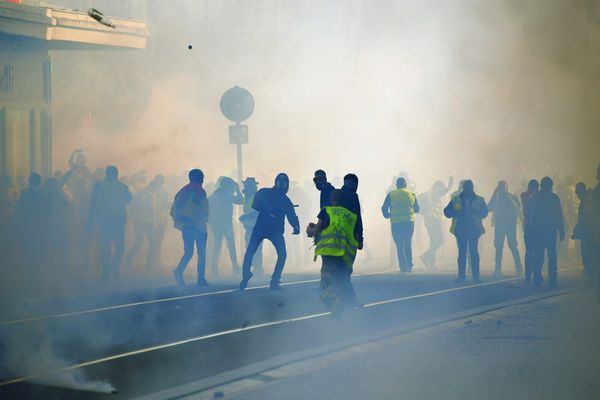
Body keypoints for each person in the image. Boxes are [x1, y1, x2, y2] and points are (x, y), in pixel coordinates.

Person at [239, 173, 300, 291]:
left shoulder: (264, 192)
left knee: (250, 251)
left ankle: (246, 274)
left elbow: (256, 205)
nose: (282, 185)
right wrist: (296, 226)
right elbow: (291, 215)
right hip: (273, 230)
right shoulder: (283, 199)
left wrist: (296, 226)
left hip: (263, 228)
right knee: (281, 254)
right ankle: (274, 281)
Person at [307, 189, 359, 317]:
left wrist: (310, 229)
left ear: (332, 199)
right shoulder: (351, 215)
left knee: (326, 283)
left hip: (329, 252)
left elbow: (316, 230)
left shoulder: (326, 211)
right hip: (344, 254)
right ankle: (349, 302)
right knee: (341, 279)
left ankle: (335, 302)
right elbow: (355, 236)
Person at [87, 166, 132, 282]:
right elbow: (129, 200)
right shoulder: (122, 186)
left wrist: (90, 222)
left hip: (104, 220)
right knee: (119, 247)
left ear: (106, 174)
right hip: (118, 220)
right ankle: (115, 268)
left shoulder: (99, 186)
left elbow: (93, 203)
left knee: (105, 246)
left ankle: (105, 272)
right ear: (116, 174)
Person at [171, 169, 210, 287]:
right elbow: (203, 210)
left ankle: (179, 271)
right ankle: (201, 279)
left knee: (188, 252)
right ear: (198, 178)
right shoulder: (198, 191)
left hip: (187, 227)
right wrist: (199, 222)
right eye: (202, 177)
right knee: (201, 254)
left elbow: (174, 210)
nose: (203, 179)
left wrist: (182, 221)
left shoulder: (184, 190)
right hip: (198, 227)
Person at [443, 179, 488, 283]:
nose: (468, 190)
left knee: (472, 253)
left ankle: (474, 276)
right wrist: (456, 212)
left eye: (469, 188)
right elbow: (446, 211)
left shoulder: (479, 200)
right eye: (467, 188)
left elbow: (484, 213)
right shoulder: (456, 199)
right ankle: (463, 277)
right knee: (464, 254)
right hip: (461, 229)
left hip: (473, 229)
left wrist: (475, 212)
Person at [526, 176, 565, 287]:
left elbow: (528, 214)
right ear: (550, 186)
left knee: (539, 254)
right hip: (550, 230)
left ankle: (537, 276)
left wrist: (529, 229)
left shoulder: (534, 197)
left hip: (537, 231)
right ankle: (552, 277)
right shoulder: (554, 198)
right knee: (551, 254)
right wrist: (561, 230)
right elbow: (559, 215)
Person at [381, 177, 420, 273]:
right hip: (408, 222)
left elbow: (384, 207)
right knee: (408, 243)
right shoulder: (412, 194)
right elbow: (417, 209)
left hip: (396, 223)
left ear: (396, 185)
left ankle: (403, 267)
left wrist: (387, 215)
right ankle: (409, 266)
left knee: (399, 245)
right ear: (405, 185)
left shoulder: (391, 194)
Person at [487, 181, 523, 276]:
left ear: (507, 187)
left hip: (509, 225)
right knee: (499, 247)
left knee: (512, 246)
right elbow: (488, 207)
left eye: (503, 187)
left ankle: (518, 267)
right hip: (500, 225)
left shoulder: (511, 197)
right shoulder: (497, 198)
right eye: (500, 187)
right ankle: (498, 269)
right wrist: (494, 195)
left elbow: (519, 209)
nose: (502, 189)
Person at [209, 177, 243, 276]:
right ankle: (235, 267)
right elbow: (240, 200)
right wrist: (238, 190)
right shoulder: (227, 195)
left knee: (217, 246)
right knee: (231, 246)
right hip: (225, 223)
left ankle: (214, 268)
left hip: (217, 225)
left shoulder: (216, 194)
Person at [418, 177, 453, 268]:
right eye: (441, 187)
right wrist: (448, 187)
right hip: (433, 219)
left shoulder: (429, 193)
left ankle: (432, 262)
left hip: (430, 219)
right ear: (438, 187)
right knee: (440, 240)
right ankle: (425, 256)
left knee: (433, 241)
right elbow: (441, 192)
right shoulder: (433, 192)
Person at [124, 181, 157, 269]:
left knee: (138, 240)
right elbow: (151, 209)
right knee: (152, 241)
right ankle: (149, 263)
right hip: (147, 221)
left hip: (137, 221)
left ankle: (129, 258)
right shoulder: (151, 195)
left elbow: (131, 207)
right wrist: (153, 221)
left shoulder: (138, 194)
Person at [239, 177, 263, 275]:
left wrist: (246, 217)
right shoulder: (246, 197)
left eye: (246, 185)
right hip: (249, 227)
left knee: (256, 248)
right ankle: (255, 266)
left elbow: (258, 211)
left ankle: (258, 267)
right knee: (250, 247)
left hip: (257, 227)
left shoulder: (257, 197)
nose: (244, 187)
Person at [520, 179, 539, 282]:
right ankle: (530, 272)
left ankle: (530, 272)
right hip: (532, 228)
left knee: (531, 251)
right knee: (533, 251)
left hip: (530, 227)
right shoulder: (528, 196)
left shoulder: (526, 196)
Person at [572, 182, 592, 278]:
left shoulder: (588, 200)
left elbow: (585, 218)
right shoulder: (587, 199)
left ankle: (590, 273)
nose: (577, 196)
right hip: (588, 232)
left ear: (582, 191)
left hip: (590, 232)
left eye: (578, 193)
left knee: (588, 252)